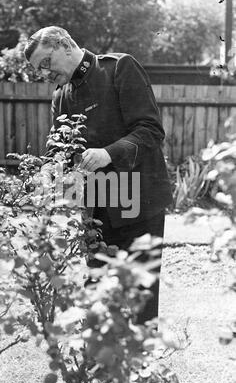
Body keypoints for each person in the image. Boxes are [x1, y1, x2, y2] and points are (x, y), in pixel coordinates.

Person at [24, 26, 173, 323]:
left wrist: (109, 153)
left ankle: (143, 362)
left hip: (138, 200)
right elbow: (59, 149)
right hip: (96, 205)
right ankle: (97, 361)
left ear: (65, 45)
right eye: (37, 70)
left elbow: (151, 130)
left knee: (140, 291)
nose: (44, 73)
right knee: (96, 286)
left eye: (45, 63)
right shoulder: (61, 95)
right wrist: (46, 173)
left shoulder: (119, 68)